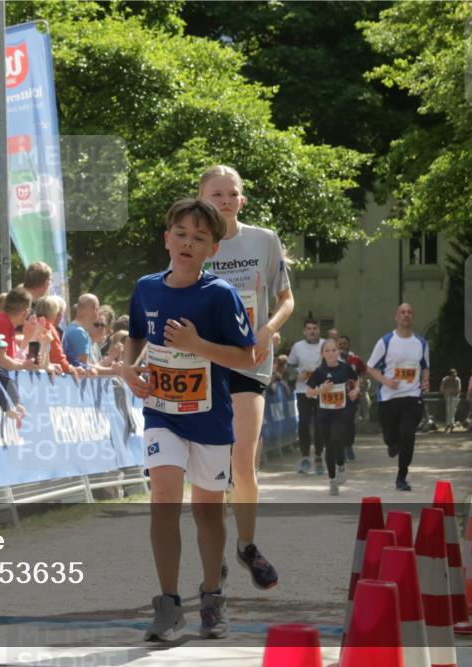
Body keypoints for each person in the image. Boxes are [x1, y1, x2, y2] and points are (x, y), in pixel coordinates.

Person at [122, 198, 256, 641]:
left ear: (211, 250)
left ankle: (213, 597)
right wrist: (129, 368)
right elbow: (137, 334)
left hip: (210, 420)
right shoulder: (146, 288)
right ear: (167, 239)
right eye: (181, 233)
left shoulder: (219, 295)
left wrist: (198, 346)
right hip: (162, 413)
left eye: (199, 238)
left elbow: (246, 356)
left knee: (208, 513)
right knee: (163, 495)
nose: (187, 243)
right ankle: (167, 605)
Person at [196, 164, 293, 589]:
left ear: (242, 200)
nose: (224, 200)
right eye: (216, 194)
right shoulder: (192, 240)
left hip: (250, 359)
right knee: (209, 467)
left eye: (231, 193)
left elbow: (287, 299)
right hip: (202, 363)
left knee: (242, 461)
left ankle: (247, 545)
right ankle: (213, 554)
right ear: (201, 199)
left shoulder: (264, 241)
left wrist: (268, 329)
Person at [366, 303, 430, 491]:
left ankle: (401, 477)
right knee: (391, 437)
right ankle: (391, 443)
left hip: (412, 396)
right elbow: (370, 367)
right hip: (388, 398)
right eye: (402, 312)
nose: (406, 315)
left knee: (407, 434)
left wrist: (425, 381)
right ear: (396, 317)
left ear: (413, 317)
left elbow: (425, 367)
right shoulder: (386, 341)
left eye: (410, 312)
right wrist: (386, 381)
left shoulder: (421, 343)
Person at [305, 339, 360, 496]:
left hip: (341, 411)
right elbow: (308, 392)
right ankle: (332, 480)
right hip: (324, 413)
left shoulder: (345, 368)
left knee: (337, 439)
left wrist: (355, 390)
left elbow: (356, 380)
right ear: (322, 354)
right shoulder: (319, 372)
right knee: (328, 445)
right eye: (327, 351)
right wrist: (320, 390)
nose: (331, 353)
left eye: (334, 350)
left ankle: (341, 465)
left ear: (339, 352)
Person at [288, 319, 325, 474]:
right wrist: (298, 374)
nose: (312, 331)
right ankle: (304, 457)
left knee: (319, 424)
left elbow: (334, 362)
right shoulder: (298, 347)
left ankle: (318, 456)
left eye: (314, 328)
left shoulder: (325, 344)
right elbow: (290, 365)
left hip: (321, 391)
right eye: (309, 329)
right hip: (303, 390)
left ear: (319, 330)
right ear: (304, 331)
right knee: (303, 423)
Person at [0, 286, 40, 371]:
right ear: (26, 312)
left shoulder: (4, 321)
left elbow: (9, 358)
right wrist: (23, 365)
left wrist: (26, 363)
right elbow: (0, 359)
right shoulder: (1, 322)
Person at [337, 335, 366, 461]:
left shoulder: (355, 359)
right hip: (337, 396)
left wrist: (361, 386)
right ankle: (341, 447)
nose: (342, 345)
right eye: (340, 343)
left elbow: (362, 371)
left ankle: (348, 445)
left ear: (348, 345)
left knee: (348, 421)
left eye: (344, 343)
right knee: (339, 421)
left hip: (351, 396)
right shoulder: (333, 359)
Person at [440, 368, 461, 432]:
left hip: (455, 396)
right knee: (448, 410)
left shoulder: (457, 380)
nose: (454, 376)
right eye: (453, 375)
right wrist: (447, 391)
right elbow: (441, 389)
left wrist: (450, 391)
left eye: (455, 375)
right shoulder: (445, 380)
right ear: (449, 375)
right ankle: (449, 424)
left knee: (452, 410)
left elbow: (458, 390)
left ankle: (450, 424)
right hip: (448, 396)